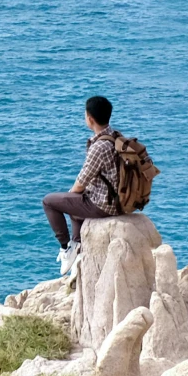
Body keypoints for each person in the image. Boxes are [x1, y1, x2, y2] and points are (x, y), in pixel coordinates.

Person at [44, 95, 122, 275]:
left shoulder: (99, 147)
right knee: (76, 204)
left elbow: (81, 181)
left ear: (90, 118)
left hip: (105, 206)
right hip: (118, 200)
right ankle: (78, 246)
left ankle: (65, 248)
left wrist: (70, 195)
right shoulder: (116, 137)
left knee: (49, 201)